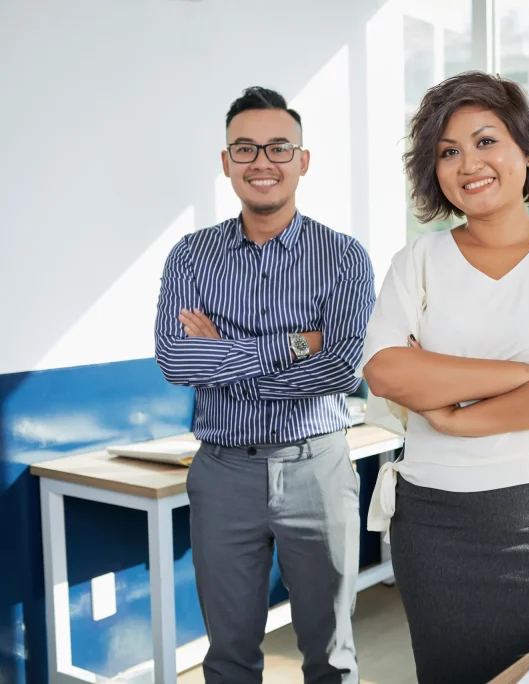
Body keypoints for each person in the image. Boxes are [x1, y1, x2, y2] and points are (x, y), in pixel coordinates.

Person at [357, 71, 529, 684]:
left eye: (486, 142)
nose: (468, 163)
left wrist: (461, 415)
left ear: (526, 152)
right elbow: (386, 370)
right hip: (432, 521)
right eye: (448, 151)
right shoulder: (418, 261)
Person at [154, 86, 374, 684]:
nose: (262, 162)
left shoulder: (344, 257)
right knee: (227, 657)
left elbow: (342, 369)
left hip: (317, 468)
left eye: (279, 147)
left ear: (303, 160)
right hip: (222, 472)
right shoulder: (191, 256)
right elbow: (176, 361)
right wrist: (294, 343)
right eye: (245, 148)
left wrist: (223, 358)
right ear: (226, 163)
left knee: (331, 654)